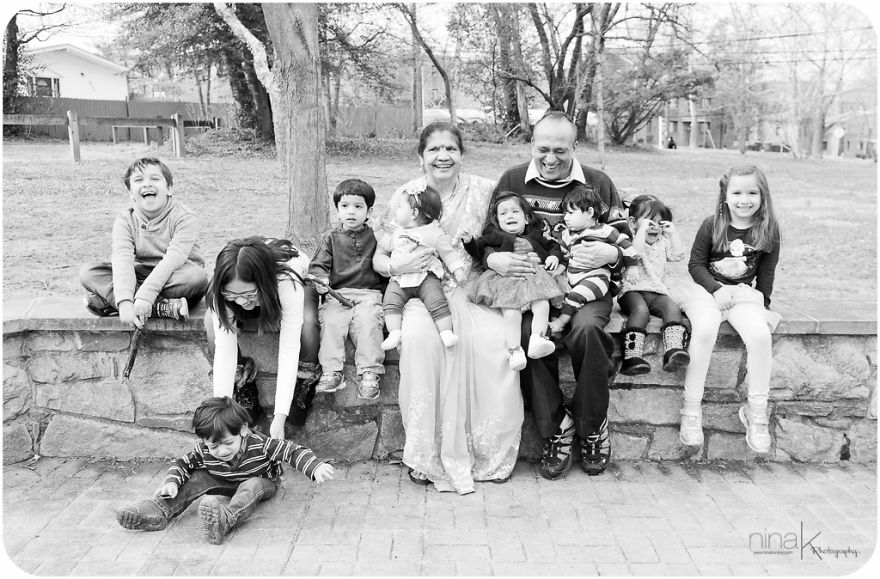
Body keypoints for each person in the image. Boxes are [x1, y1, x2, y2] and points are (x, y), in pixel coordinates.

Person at [373, 121, 523, 494]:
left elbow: (509, 233)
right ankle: (426, 455)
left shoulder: (485, 191)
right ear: (420, 156)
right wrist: (397, 266)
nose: (443, 156)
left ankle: (487, 452)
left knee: (494, 343)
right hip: (420, 292)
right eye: (434, 149)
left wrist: (494, 258)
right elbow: (379, 255)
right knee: (421, 341)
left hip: (473, 289)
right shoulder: (406, 195)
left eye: (451, 148)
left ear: (461, 154)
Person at [488, 111, 628, 479]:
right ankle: (556, 427)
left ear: (575, 147)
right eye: (543, 149)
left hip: (585, 287)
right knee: (524, 337)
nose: (550, 159)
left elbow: (627, 242)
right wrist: (492, 258)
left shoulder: (599, 183)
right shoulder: (513, 180)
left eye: (560, 151)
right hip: (530, 288)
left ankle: (591, 424)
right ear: (532, 144)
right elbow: (489, 232)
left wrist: (611, 253)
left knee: (588, 332)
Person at [115, 396, 333, 544]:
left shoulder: (260, 444)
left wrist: (315, 467)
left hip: (261, 482)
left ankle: (225, 520)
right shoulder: (204, 450)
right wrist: (171, 483)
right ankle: (158, 510)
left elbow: (291, 451)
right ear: (204, 441)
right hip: (224, 480)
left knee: (251, 485)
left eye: (228, 443)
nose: (221, 451)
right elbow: (182, 463)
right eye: (214, 446)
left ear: (243, 430)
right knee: (197, 477)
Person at [676, 165, 781, 453]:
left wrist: (762, 306)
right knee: (705, 330)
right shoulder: (712, 224)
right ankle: (691, 409)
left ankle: (756, 411)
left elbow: (767, 273)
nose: (744, 200)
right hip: (706, 291)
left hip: (742, 295)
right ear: (725, 195)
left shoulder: (768, 229)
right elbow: (695, 265)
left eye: (752, 193)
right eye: (737, 193)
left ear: (763, 196)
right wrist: (716, 289)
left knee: (760, 335)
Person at [204, 236, 320, 437]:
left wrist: (280, 416)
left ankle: (302, 386)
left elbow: (289, 348)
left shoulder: (286, 281)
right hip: (260, 297)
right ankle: (243, 386)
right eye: (232, 295)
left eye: (248, 294)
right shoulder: (220, 293)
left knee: (308, 321)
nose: (241, 301)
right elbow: (224, 351)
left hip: (287, 292)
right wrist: (221, 415)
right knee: (210, 323)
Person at [80, 157, 208, 327]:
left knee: (196, 277)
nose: (147, 184)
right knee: (88, 272)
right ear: (131, 193)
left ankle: (113, 302)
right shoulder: (126, 219)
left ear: (169, 188)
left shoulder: (184, 217)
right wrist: (125, 300)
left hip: (175, 277)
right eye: (139, 180)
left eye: (155, 178)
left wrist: (146, 295)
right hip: (140, 274)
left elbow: (173, 259)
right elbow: (122, 257)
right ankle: (160, 307)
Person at [462, 191, 563, 370]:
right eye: (504, 213)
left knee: (542, 304)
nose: (510, 216)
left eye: (515, 211)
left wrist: (553, 256)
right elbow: (478, 249)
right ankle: (514, 351)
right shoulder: (496, 237)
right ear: (498, 222)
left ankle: (538, 339)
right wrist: (469, 241)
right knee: (511, 314)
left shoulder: (536, 235)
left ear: (526, 219)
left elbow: (553, 245)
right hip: (507, 280)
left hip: (533, 277)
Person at [309, 179, 386, 400]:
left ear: (369, 211)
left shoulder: (376, 236)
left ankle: (370, 372)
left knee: (368, 322)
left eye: (358, 206)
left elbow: (389, 257)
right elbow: (318, 266)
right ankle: (332, 371)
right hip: (338, 295)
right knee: (331, 321)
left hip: (369, 293)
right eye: (345, 206)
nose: (351, 212)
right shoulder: (330, 238)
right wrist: (321, 280)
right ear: (337, 209)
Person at [379, 186, 468, 351]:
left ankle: (446, 332)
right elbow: (387, 245)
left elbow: (448, 253)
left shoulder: (433, 232)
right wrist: (377, 231)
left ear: (413, 213)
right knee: (390, 301)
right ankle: (394, 333)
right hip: (400, 278)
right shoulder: (398, 231)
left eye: (399, 207)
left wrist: (458, 269)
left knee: (437, 301)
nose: (396, 210)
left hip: (426, 276)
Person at [547, 185, 638, 336]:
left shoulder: (605, 231)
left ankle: (561, 323)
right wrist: (557, 270)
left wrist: (633, 265)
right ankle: (555, 330)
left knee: (574, 296)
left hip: (596, 279)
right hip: (574, 279)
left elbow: (626, 244)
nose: (565, 218)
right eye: (565, 213)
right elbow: (564, 256)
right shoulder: (567, 234)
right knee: (558, 295)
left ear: (589, 212)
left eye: (571, 213)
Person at [616, 194, 689, 375]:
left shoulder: (662, 242)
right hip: (632, 291)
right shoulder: (629, 238)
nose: (654, 226)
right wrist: (641, 230)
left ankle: (673, 350)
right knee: (641, 312)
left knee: (672, 308)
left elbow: (678, 255)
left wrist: (672, 233)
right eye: (649, 221)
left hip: (656, 291)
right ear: (633, 222)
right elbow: (636, 252)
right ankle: (632, 357)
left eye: (659, 222)